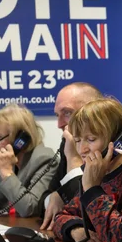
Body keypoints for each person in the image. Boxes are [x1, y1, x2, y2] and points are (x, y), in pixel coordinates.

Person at [53, 98, 122, 242]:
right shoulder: (96, 171)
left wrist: (92, 189)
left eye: (90, 139)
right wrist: (75, 230)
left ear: (118, 140)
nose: (82, 149)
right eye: (77, 140)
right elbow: (60, 216)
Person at [39, 82, 103, 230]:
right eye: (57, 115)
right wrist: (55, 196)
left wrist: (74, 161)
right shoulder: (68, 144)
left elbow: (89, 214)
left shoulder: (116, 148)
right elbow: (42, 204)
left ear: (94, 110)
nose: (59, 124)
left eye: (67, 113)